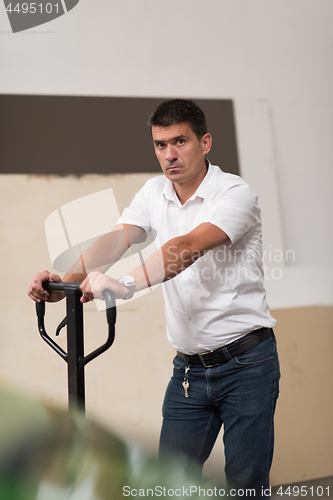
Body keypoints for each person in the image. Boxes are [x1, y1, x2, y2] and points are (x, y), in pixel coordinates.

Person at [28, 99, 280, 498]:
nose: (169, 154)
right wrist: (64, 282)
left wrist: (123, 284)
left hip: (247, 364)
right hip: (189, 373)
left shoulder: (235, 193)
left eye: (179, 141)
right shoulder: (154, 192)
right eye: (160, 145)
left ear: (206, 142)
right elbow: (115, 240)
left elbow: (187, 246)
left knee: (245, 486)